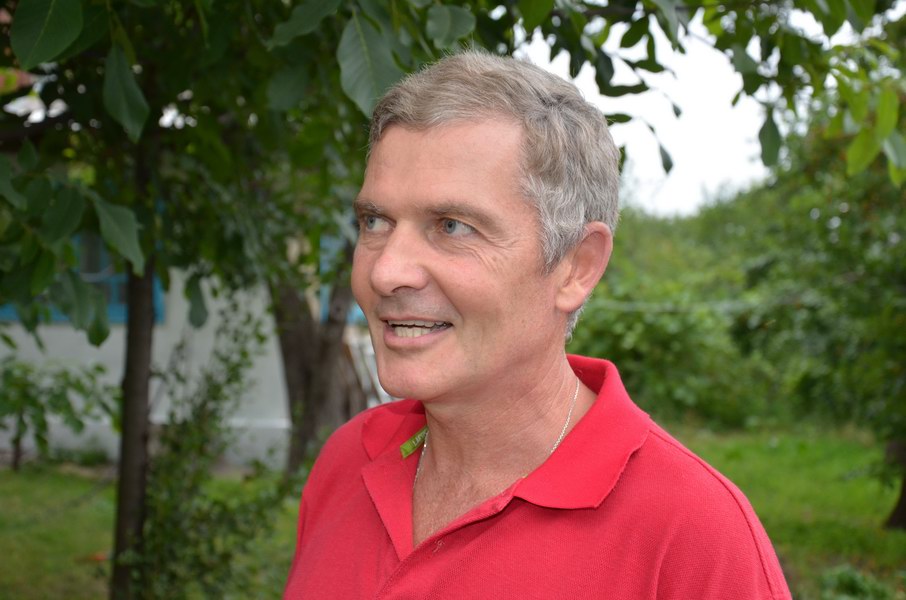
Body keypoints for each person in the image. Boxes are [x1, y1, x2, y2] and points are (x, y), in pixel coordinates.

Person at [283, 51, 792, 599]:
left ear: (577, 266)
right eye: (375, 221)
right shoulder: (347, 462)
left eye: (452, 226)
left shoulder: (694, 536)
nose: (386, 271)